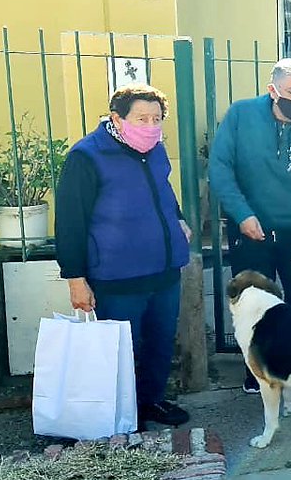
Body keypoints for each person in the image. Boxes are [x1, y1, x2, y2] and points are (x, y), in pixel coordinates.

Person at [55, 84, 192, 427]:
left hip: (164, 271)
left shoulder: (155, 149)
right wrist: (75, 278)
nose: (150, 125)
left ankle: (152, 401)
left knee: (160, 344)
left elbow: (163, 190)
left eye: (157, 119)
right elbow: (70, 221)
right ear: (117, 118)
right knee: (120, 352)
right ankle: (123, 414)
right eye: (142, 118)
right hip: (116, 278)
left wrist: (178, 219)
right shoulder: (87, 156)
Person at [210, 58, 291, 393]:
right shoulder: (240, 116)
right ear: (273, 90)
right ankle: (258, 374)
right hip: (251, 232)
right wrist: (242, 214)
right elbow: (220, 168)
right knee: (254, 309)